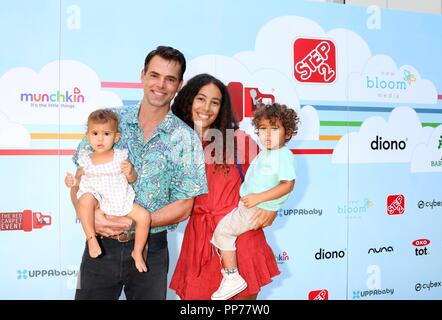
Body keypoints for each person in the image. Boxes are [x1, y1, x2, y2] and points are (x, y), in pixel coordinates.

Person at [69, 46, 207, 300]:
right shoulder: (109, 122)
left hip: (152, 251)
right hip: (100, 244)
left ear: (179, 85)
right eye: (154, 75)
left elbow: (185, 204)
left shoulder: (185, 138)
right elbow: (78, 182)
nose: (161, 85)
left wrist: (136, 222)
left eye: (170, 79)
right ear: (142, 75)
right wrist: (89, 215)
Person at [170, 73, 282, 300]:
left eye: (215, 102)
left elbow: (275, 177)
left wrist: (272, 207)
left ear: (222, 108)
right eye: (201, 99)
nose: (207, 108)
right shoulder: (172, 141)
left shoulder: (238, 141)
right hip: (200, 242)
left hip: (240, 239)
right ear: (188, 100)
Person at [210, 102, 299, 300]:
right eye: (263, 129)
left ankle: (232, 277)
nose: (267, 134)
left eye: (274, 128)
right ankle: (231, 276)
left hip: (255, 209)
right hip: (249, 206)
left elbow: (288, 184)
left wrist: (260, 199)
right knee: (222, 234)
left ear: (288, 132)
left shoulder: (283, 155)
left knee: (223, 233)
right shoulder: (267, 153)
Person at [65, 109, 150, 273]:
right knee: (85, 199)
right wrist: (73, 181)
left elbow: (132, 179)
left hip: (119, 197)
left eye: (106, 133)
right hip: (98, 199)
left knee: (144, 217)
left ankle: (137, 251)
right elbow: (81, 183)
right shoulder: (86, 160)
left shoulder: (120, 156)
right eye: (95, 133)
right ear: (88, 136)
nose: (100, 138)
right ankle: (91, 238)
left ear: (116, 137)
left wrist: (130, 171)